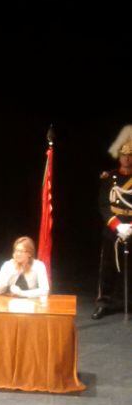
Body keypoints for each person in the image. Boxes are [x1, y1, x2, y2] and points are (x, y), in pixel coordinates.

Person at [92, 125, 132, 319]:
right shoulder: (110, 178)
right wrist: (118, 226)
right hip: (113, 228)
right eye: (124, 155)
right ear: (119, 156)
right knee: (107, 268)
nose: (127, 158)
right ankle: (103, 303)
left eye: (131, 155)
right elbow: (103, 205)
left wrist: (130, 227)